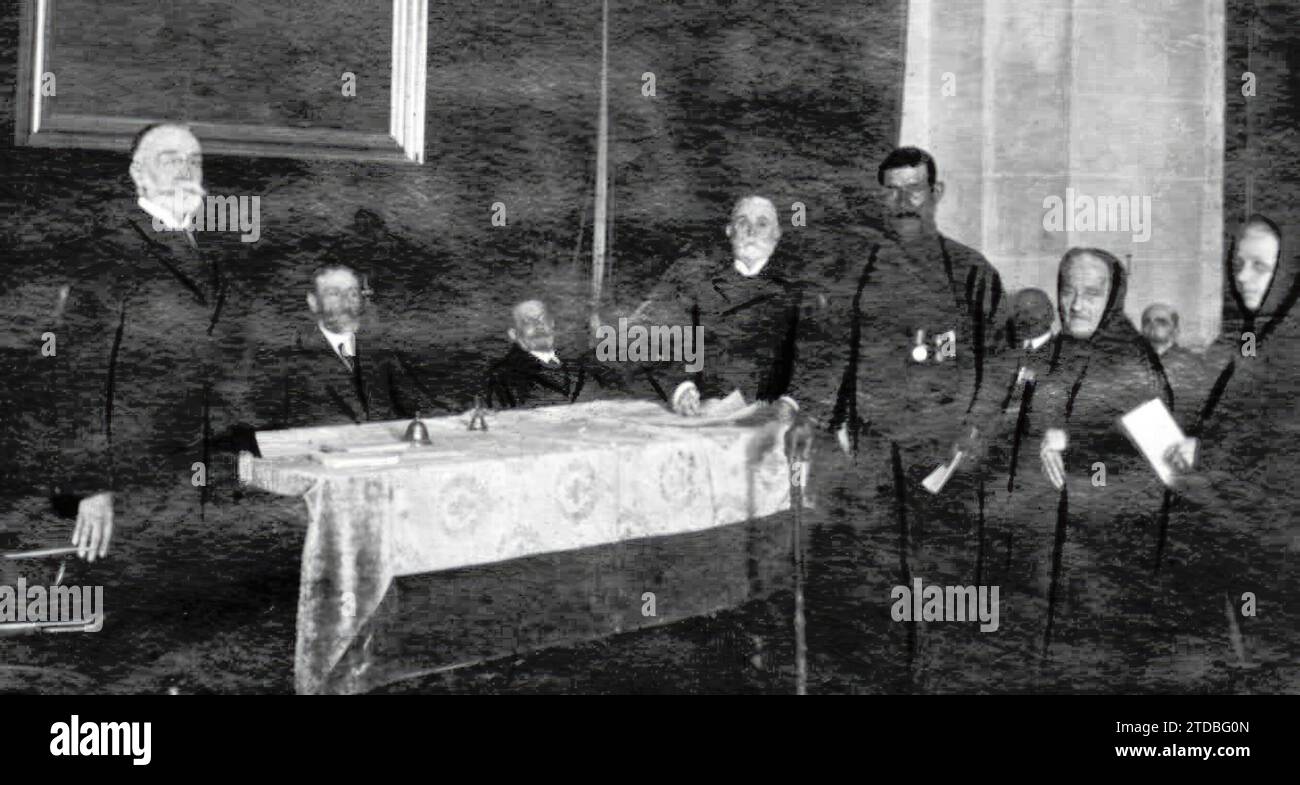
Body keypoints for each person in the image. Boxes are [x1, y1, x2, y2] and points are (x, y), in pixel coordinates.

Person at [1160, 215, 1300, 687]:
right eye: (1237, 263)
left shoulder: (1289, 343)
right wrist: (1203, 444)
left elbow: (1281, 449)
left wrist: (1208, 461)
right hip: (1256, 535)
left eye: (1260, 266)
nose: (1242, 276)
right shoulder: (1260, 333)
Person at [1028, 248, 1173, 680]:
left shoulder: (1133, 362)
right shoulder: (1051, 355)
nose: (1075, 304)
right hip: (1044, 555)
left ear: (1113, 298)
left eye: (1091, 293)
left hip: (1106, 562)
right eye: (1067, 290)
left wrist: (1077, 444)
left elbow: (1164, 465)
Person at [618, 195, 805, 414]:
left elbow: (818, 359)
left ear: (777, 234)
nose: (751, 232)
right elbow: (655, 340)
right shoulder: (697, 282)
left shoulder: (798, 290)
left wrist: (791, 402)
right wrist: (681, 388)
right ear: (729, 231)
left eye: (762, 224)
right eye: (742, 223)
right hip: (703, 413)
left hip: (772, 415)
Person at [259, 263, 436, 428]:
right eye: (334, 294)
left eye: (352, 293)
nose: (346, 302)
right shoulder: (289, 356)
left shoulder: (379, 349)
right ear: (313, 302)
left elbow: (418, 404)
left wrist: (460, 420)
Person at [485, 299, 623, 409]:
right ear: (514, 334)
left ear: (552, 324)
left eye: (543, 319)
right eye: (528, 322)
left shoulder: (579, 368)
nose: (539, 326)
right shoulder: (502, 375)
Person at [1141, 302, 1205, 421]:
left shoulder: (1194, 363)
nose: (1152, 325)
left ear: (1176, 330)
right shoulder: (1131, 361)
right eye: (1147, 321)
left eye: (1161, 322)